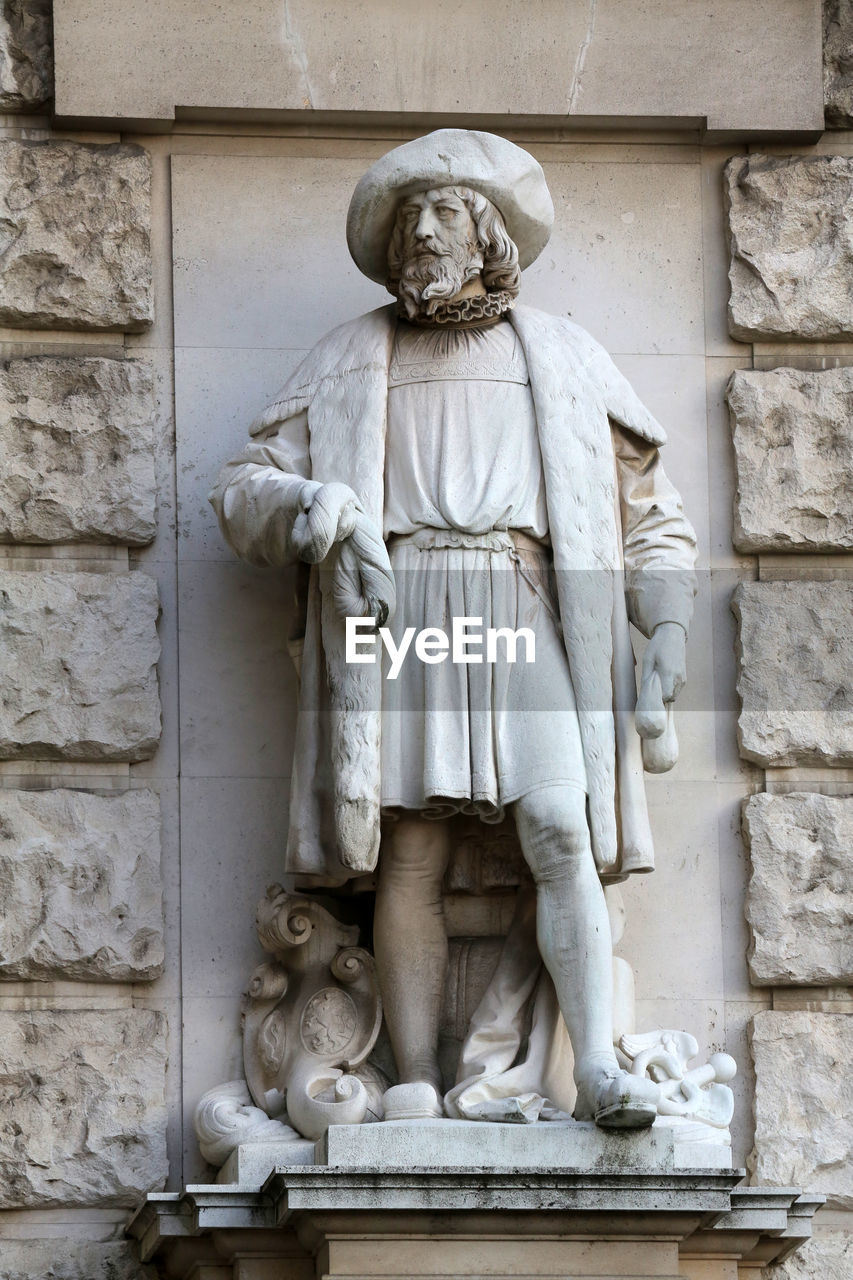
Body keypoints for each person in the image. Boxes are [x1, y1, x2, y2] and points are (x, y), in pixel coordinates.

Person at [210, 129, 697, 1128]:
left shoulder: (561, 354)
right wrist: (317, 506)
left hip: (519, 598)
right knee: (412, 846)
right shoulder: (352, 351)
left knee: (562, 825)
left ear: (489, 235)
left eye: (444, 213)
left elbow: (652, 516)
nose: (421, 233)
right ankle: (420, 1079)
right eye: (409, 218)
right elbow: (241, 490)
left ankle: (595, 1065)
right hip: (405, 601)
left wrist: (670, 628)